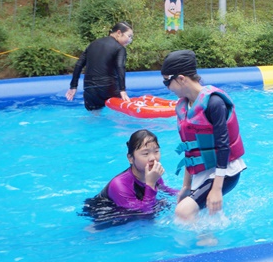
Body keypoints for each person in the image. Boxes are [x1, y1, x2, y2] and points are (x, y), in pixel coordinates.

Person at [162, 49, 246, 221]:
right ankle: (207, 236)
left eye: (167, 82)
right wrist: (186, 185)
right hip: (203, 171)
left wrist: (217, 189)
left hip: (225, 170)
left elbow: (223, 146)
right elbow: (190, 148)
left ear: (181, 79)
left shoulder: (214, 103)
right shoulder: (184, 106)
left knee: (183, 211)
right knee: (192, 213)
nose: (168, 88)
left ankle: (205, 238)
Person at [82, 130, 178, 226]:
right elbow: (145, 213)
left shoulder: (152, 173)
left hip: (135, 206)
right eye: (145, 153)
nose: (153, 158)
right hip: (104, 215)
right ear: (131, 158)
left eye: (156, 151)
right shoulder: (119, 184)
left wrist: (184, 195)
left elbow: (164, 189)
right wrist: (151, 183)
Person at [66, 22, 133, 110]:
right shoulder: (119, 48)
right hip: (109, 88)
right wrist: (122, 90)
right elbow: (120, 67)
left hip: (90, 89)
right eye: (129, 36)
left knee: (94, 116)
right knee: (116, 115)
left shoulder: (93, 44)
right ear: (119, 33)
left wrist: (73, 86)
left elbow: (79, 64)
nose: (130, 40)